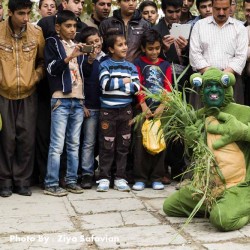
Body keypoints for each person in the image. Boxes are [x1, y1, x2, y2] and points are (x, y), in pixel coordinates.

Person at [163, 67, 250, 232]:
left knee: (222, 220)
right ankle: (222, 205)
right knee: (170, 206)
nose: (214, 90)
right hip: (211, 187)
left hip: (239, 185)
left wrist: (244, 132)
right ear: (202, 91)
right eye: (209, 86)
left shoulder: (243, 112)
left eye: (218, 86)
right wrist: (190, 140)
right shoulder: (199, 116)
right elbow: (195, 155)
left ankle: (236, 206)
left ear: (227, 88)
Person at [43, 10, 94, 197]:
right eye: (68, 26)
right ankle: (51, 183)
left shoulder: (76, 45)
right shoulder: (52, 43)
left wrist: (89, 59)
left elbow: (85, 75)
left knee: (74, 143)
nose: (73, 30)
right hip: (61, 100)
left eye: (74, 26)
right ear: (58, 27)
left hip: (78, 99)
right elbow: (51, 69)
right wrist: (70, 56)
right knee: (57, 145)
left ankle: (71, 181)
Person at [0, 0, 45, 197]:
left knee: (26, 139)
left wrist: (35, 76)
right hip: (3, 93)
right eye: (21, 14)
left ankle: (22, 181)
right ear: (10, 13)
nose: (26, 18)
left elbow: (43, 61)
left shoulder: (36, 33)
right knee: (6, 138)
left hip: (28, 93)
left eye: (28, 13)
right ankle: (4, 182)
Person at [97, 33, 140, 192]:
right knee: (107, 144)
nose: (125, 47)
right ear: (110, 49)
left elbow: (136, 88)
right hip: (108, 111)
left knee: (123, 145)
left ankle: (120, 177)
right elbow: (105, 85)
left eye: (125, 44)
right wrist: (124, 81)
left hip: (126, 111)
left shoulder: (131, 67)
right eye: (120, 45)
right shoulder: (105, 65)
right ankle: (104, 177)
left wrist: (120, 84)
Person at [132, 29, 172, 191]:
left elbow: (168, 87)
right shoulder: (138, 63)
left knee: (160, 143)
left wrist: (162, 107)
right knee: (141, 143)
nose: (154, 52)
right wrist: (143, 106)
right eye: (150, 49)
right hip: (143, 110)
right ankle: (140, 178)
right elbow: (138, 85)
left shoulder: (165, 65)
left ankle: (156, 177)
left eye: (157, 48)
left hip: (161, 110)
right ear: (143, 48)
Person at [189, 0, 248, 104]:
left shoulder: (240, 28)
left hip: (230, 81)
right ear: (212, 6)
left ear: (231, 6)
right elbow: (194, 54)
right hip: (204, 80)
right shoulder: (199, 26)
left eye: (225, 9)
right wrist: (212, 75)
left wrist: (224, 75)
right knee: (201, 118)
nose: (221, 13)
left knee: (232, 117)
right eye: (217, 9)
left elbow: (241, 57)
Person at [79, 27, 107, 189]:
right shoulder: (82, 60)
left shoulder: (108, 59)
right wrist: (82, 104)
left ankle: (105, 173)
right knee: (88, 142)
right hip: (90, 107)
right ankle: (87, 174)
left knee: (105, 142)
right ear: (84, 45)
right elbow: (80, 83)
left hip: (106, 108)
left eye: (97, 41)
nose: (95, 45)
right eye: (91, 43)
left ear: (101, 40)